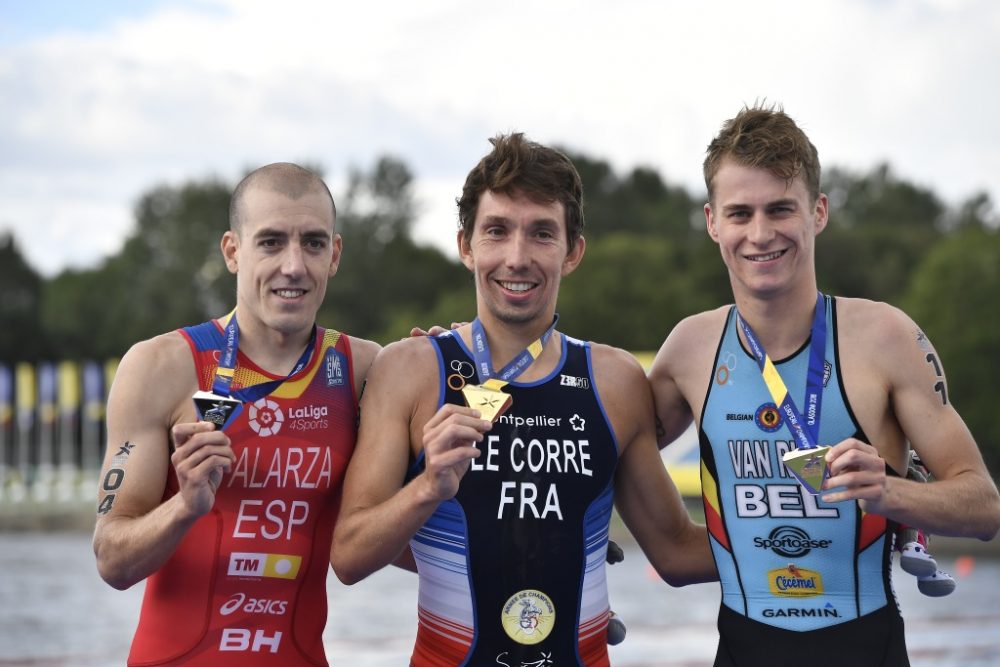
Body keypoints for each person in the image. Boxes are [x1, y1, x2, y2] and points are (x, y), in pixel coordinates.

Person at [331, 133, 714, 666]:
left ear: (572, 251)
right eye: (497, 231)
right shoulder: (409, 369)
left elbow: (675, 553)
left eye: (541, 234)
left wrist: (812, 535)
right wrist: (427, 488)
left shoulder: (615, 379)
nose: (517, 257)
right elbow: (348, 556)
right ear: (466, 246)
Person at [648, 103, 1000, 666]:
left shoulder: (887, 337)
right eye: (740, 213)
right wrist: (463, 362)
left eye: (780, 209)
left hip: (865, 647)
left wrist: (891, 492)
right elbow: (602, 441)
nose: (760, 234)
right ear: (713, 220)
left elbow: (985, 508)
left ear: (818, 211)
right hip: (743, 649)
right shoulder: (690, 350)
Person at [92, 162, 380, 666]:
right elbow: (112, 560)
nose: (293, 265)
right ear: (232, 251)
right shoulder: (162, 366)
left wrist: (449, 366)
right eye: (271, 242)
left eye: (312, 243)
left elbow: (406, 537)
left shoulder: (365, 370)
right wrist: (184, 506)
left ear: (334, 255)